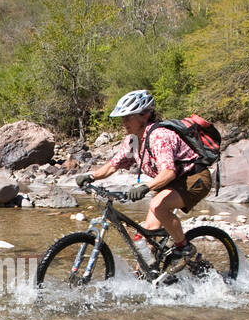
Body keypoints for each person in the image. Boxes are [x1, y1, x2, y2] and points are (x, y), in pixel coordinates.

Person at [77, 89, 212, 267]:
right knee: (145, 238)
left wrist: (146, 187)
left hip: (194, 178)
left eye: (128, 117)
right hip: (169, 184)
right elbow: (113, 165)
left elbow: (169, 172)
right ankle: (155, 276)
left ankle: (184, 247)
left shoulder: (159, 136)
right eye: (122, 118)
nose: (124, 122)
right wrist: (91, 176)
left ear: (144, 115)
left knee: (158, 205)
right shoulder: (132, 139)